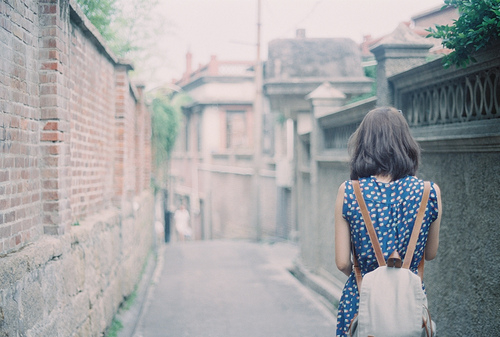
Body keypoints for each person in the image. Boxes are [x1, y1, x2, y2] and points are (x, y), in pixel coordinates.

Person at [334, 107, 442, 336]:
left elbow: (343, 262)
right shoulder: (428, 192)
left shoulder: (349, 192)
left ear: (364, 145)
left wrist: (370, 276)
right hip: (407, 303)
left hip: (362, 300)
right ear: (406, 144)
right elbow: (430, 253)